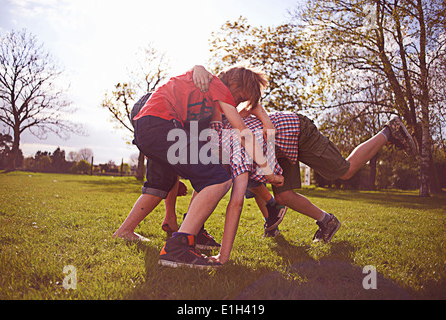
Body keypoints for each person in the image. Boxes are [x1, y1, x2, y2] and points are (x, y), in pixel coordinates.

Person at [113, 65, 283, 269]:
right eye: (238, 98)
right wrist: (268, 170)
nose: (235, 104)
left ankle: (131, 232)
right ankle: (177, 249)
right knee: (218, 179)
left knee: (171, 181)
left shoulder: (205, 90)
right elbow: (243, 132)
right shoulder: (216, 86)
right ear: (234, 84)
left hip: (149, 127)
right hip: (161, 124)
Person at [229, 109, 418, 242]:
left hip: (295, 130)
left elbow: (252, 105)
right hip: (279, 148)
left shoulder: (228, 132)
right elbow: (254, 182)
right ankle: (328, 222)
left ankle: (389, 130)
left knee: (345, 171)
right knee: (283, 196)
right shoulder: (229, 146)